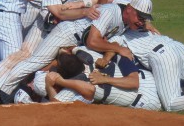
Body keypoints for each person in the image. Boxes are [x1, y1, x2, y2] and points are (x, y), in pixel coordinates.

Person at [0, 0, 153, 105]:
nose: (141, 21)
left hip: (74, 41)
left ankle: (23, 92)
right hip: (66, 35)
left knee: (46, 66)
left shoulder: (126, 17)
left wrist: (150, 26)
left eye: (144, 18)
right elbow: (92, 40)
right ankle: (0, 93)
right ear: (129, 9)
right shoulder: (111, 12)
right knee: (34, 63)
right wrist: (117, 48)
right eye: (139, 17)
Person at [103, 21, 184, 112]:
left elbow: (112, 47)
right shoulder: (144, 27)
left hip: (163, 56)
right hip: (177, 46)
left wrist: (105, 58)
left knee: (170, 103)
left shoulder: (119, 36)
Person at [17, 46, 162, 111]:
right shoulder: (88, 55)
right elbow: (68, 49)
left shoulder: (77, 87)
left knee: (172, 104)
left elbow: (56, 107)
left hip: (145, 99)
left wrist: (53, 85)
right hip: (146, 75)